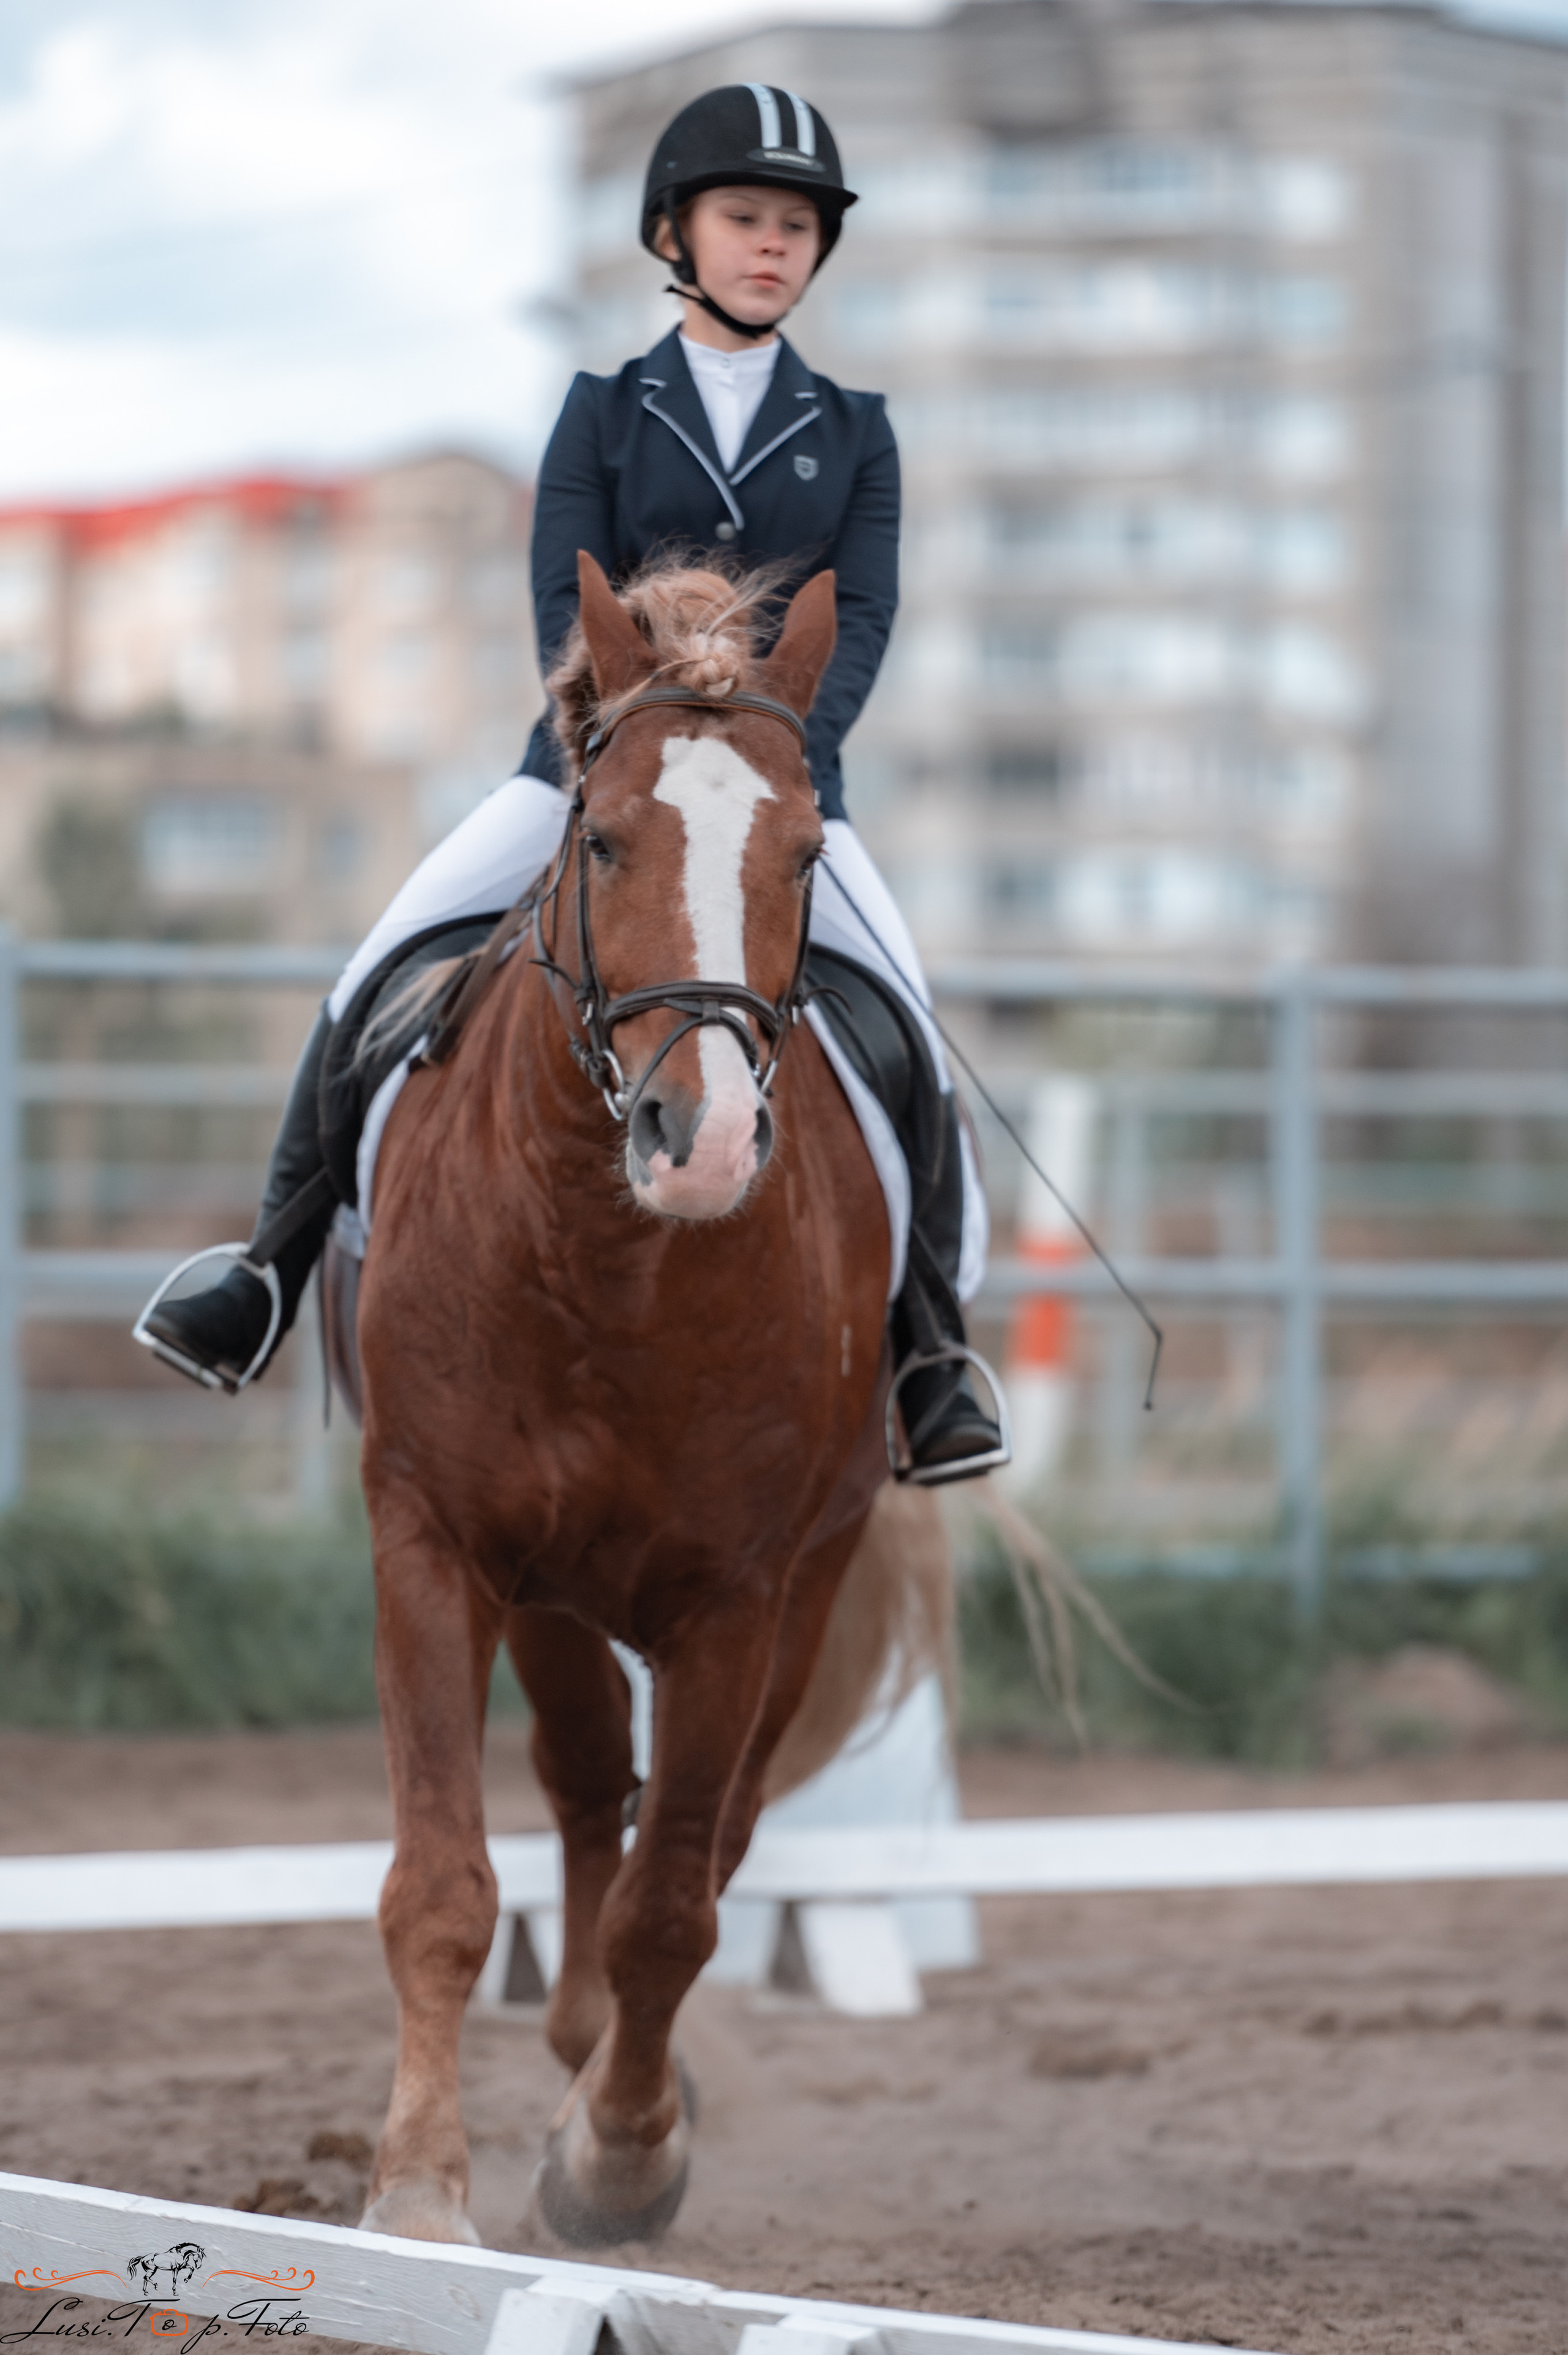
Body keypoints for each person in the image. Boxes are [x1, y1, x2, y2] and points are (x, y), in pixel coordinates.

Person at [136, 82, 1005, 1481]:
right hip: (582, 782)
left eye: (795, 226)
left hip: (780, 803)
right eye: (744, 219)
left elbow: (866, 620)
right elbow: (565, 605)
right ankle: (267, 1271)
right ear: (676, 229)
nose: (771, 247)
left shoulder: (857, 432)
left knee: (914, 1041)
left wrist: (778, 756)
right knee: (371, 976)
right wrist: (616, 749)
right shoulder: (602, 412)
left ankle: (930, 1349)